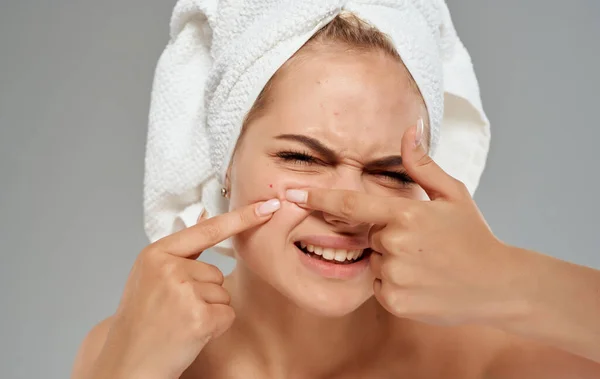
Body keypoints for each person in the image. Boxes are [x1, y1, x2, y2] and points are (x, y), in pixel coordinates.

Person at [72, 3, 600, 379]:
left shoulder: (500, 363)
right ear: (225, 162)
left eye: (391, 173)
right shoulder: (125, 353)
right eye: (301, 157)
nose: (348, 209)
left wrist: (509, 279)